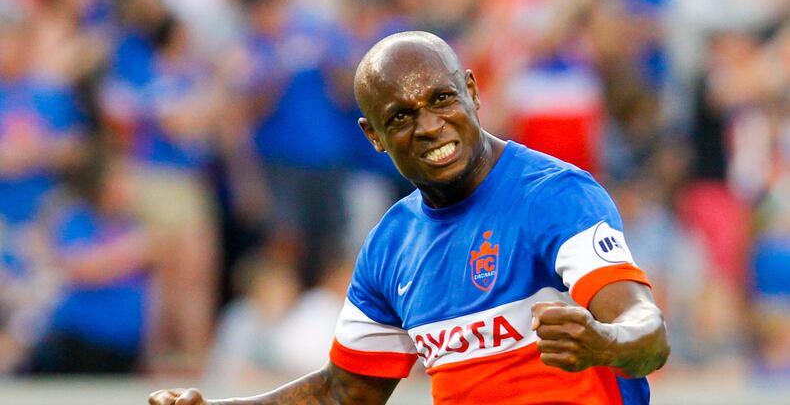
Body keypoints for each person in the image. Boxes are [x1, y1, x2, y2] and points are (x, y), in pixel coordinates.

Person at [150, 31, 669, 405]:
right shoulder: (391, 245)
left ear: (473, 89)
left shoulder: (552, 196)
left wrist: (605, 341)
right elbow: (342, 392)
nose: (429, 126)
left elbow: (647, 332)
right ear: (373, 135)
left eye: (442, 99)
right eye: (400, 116)